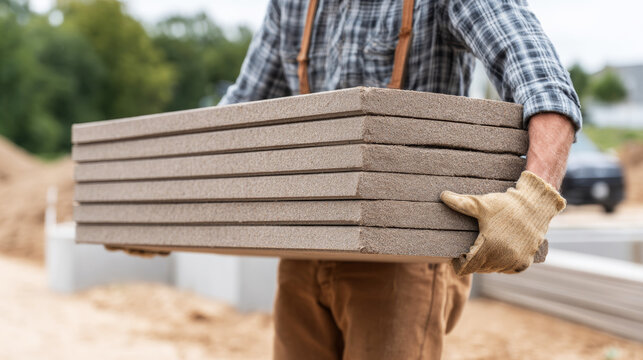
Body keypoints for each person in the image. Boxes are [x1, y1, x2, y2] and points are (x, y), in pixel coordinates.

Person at [218, 0, 581, 358]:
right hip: (304, 246)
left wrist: (533, 202)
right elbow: (239, 113)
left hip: (403, 257)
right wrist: (171, 196)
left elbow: (546, 87)